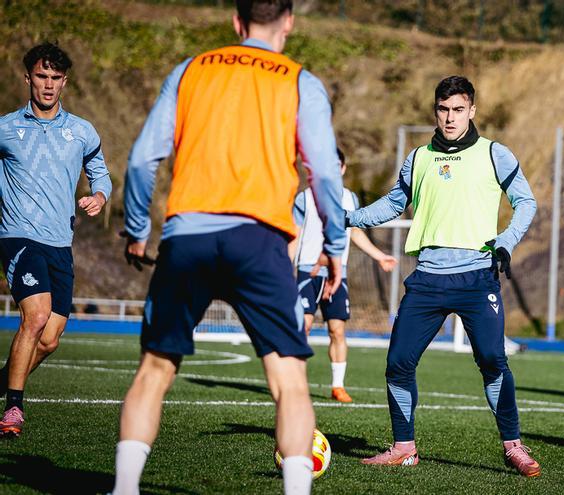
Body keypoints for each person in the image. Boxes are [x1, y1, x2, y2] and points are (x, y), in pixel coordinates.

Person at [112, 1, 346, 494]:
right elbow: (325, 174)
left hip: (187, 237)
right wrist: (336, 244)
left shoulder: (190, 70)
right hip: (259, 241)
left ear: (237, 22)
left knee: (154, 370)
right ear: (289, 22)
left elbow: (140, 160)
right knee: (289, 382)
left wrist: (137, 229)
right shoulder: (300, 81)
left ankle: (125, 488)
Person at [349, 76, 541, 477]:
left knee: (493, 360)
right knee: (398, 363)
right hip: (428, 279)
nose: (450, 117)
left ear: (472, 110)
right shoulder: (418, 158)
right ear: (435, 111)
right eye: (443, 109)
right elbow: (393, 204)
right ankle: (404, 448)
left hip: (477, 277)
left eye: (458, 109)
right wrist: (349, 217)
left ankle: (513, 446)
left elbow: (525, 201)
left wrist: (506, 240)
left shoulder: (494, 154)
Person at [0, 43, 111, 438]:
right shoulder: (6, 128)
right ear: (27, 78)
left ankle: (3, 386)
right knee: (36, 316)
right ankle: (14, 408)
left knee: (49, 340)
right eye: (41, 76)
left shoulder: (81, 131)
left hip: (61, 244)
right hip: (19, 237)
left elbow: (100, 173)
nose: (48, 84)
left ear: (65, 82)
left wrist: (100, 196)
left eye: (55, 78)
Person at [292, 147, 397, 403]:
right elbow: (294, 234)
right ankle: (294, 384)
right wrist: (284, 267)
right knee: (303, 326)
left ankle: (337, 386)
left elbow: (355, 231)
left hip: (339, 272)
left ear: (342, 168)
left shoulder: (350, 199)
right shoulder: (305, 198)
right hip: (308, 270)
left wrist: (379, 256)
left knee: (337, 330)